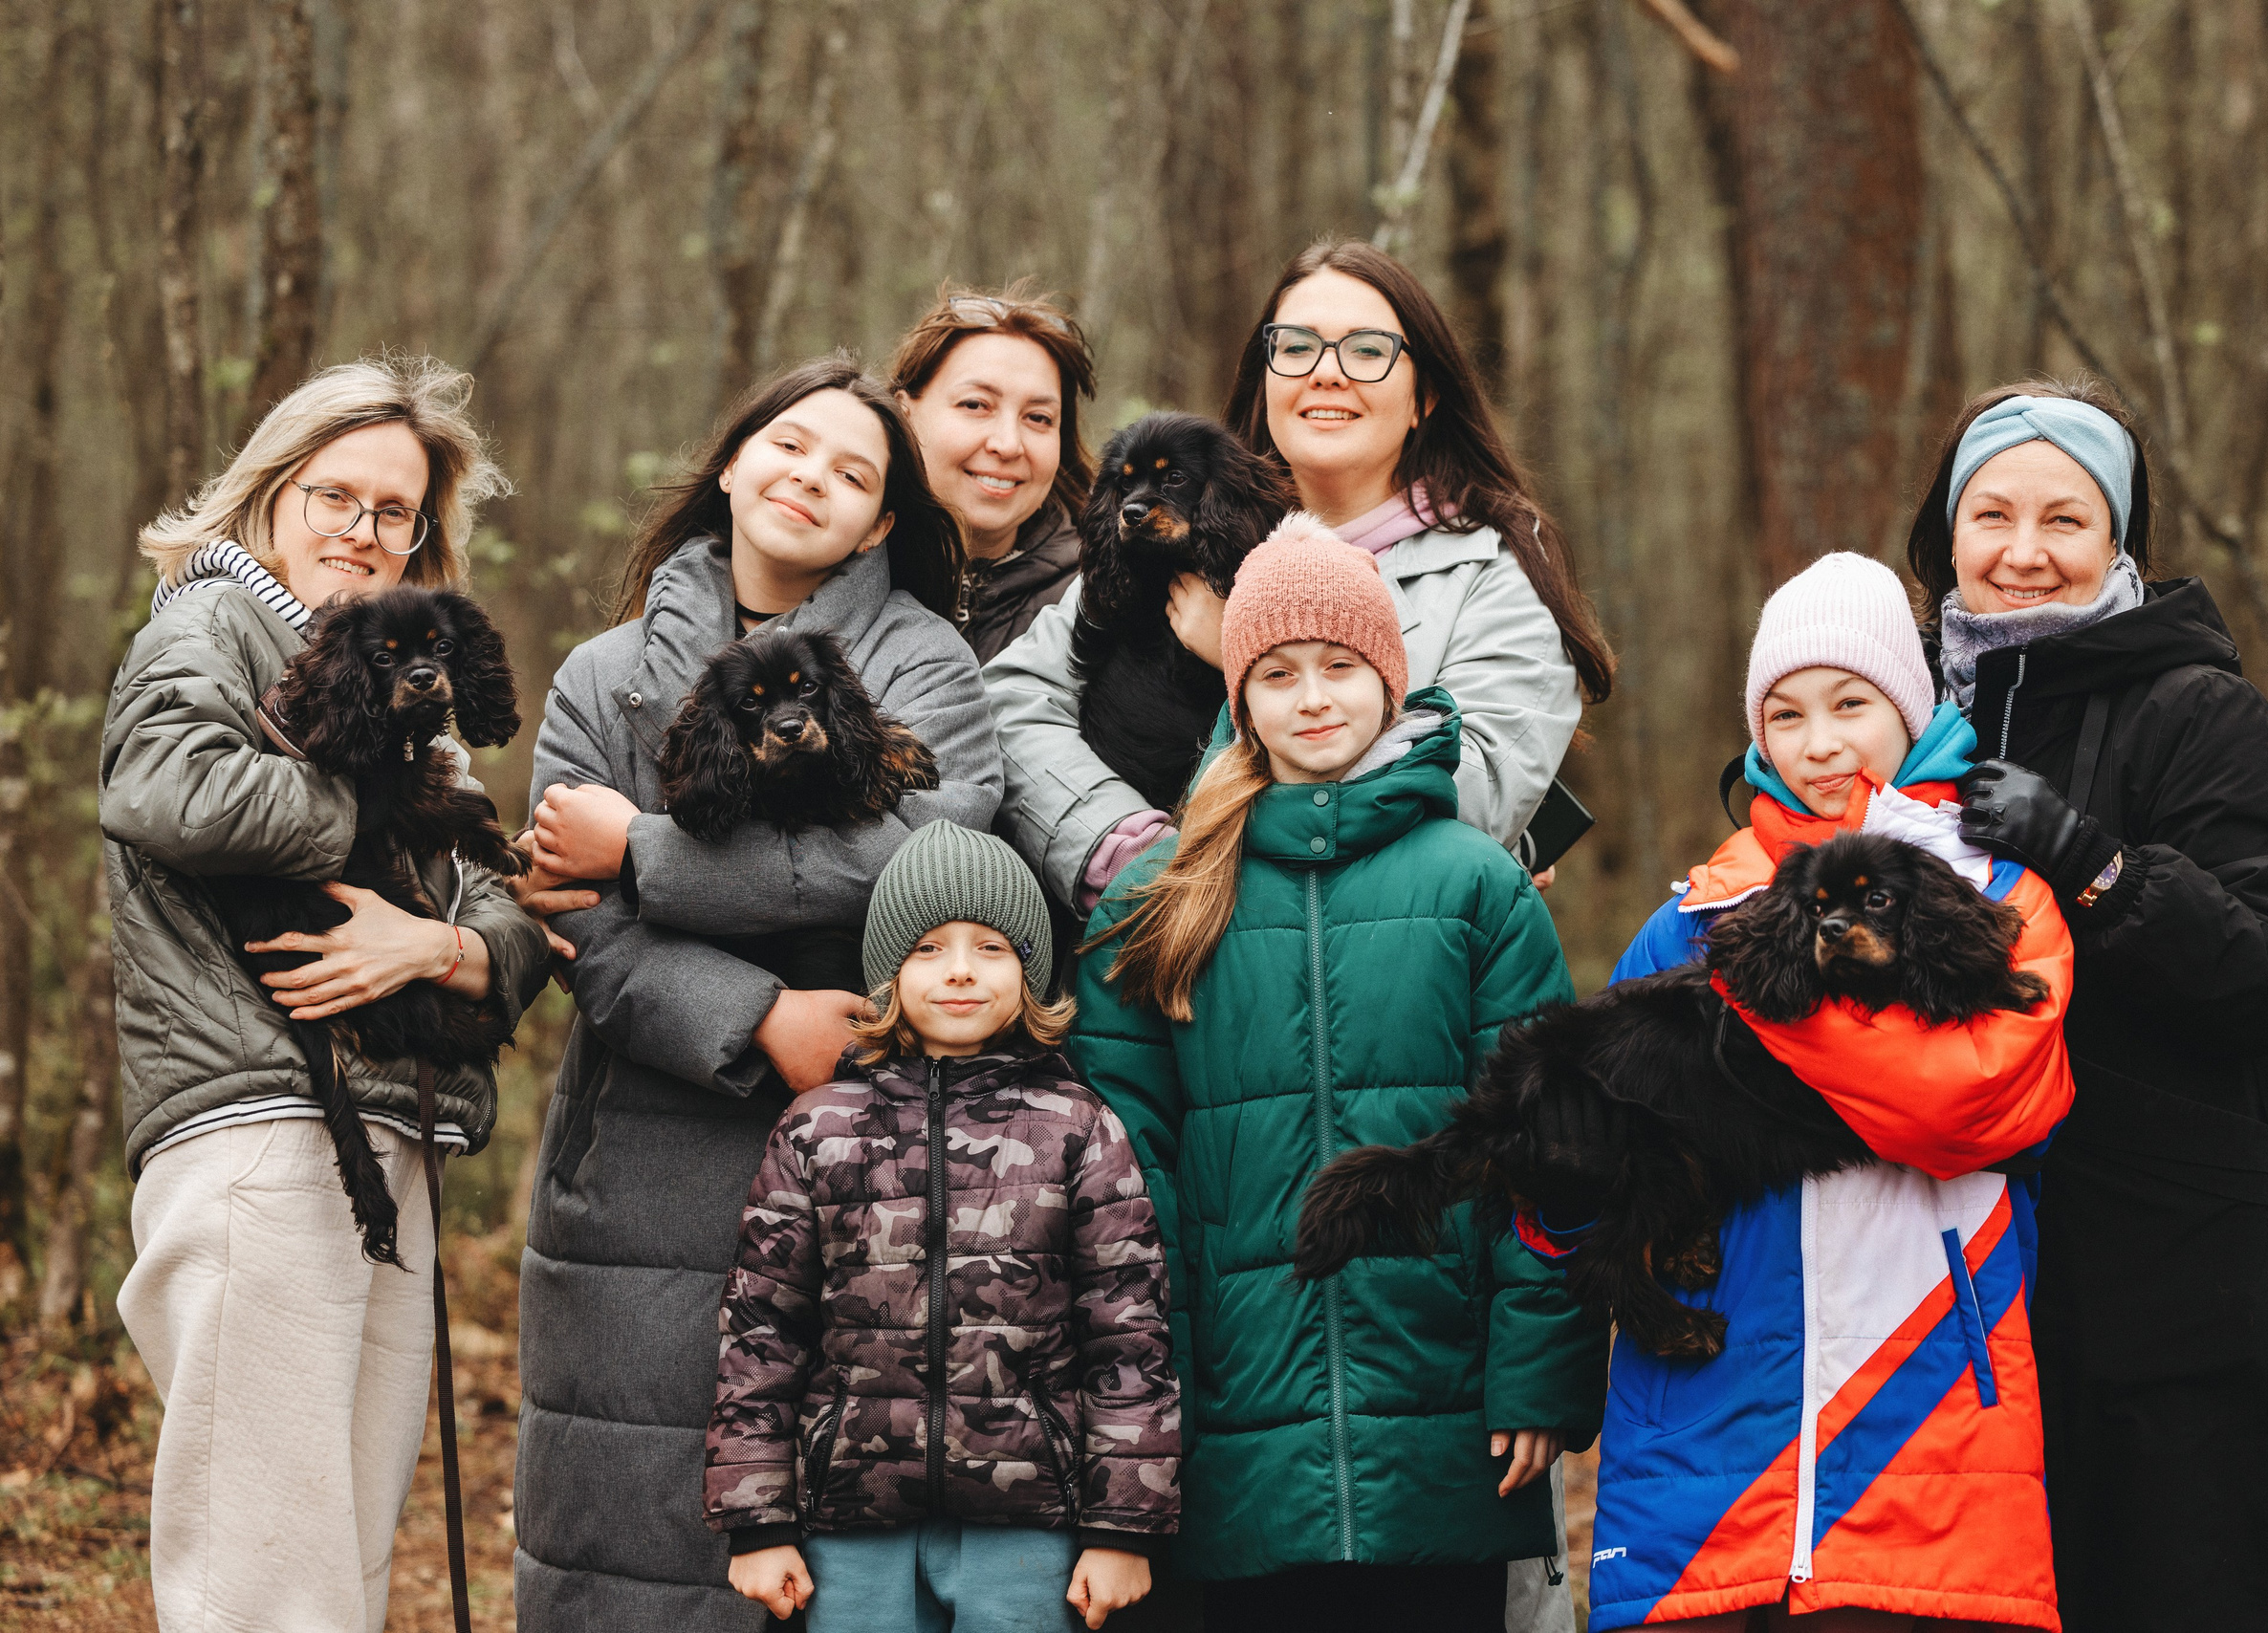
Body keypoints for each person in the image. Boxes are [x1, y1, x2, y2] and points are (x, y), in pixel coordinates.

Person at [512, 358, 1000, 1629]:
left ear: (885, 522)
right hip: (643, 1164)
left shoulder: (932, 667)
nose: (810, 480)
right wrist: (760, 1021)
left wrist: (642, 848)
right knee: (635, 1543)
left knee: (843, 1549)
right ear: (731, 463)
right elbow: (585, 941)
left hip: (877, 1151)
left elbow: (924, 859)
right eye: (788, 446)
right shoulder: (601, 676)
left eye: (853, 473)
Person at [1070, 514, 1607, 1633]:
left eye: (1340, 666)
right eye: (1277, 672)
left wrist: (1535, 1371)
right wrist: (1144, 1386)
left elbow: (1548, 1151)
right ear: (1238, 695)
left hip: (1445, 1404)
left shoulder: (1476, 886)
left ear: (1390, 677)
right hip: (1235, 1409)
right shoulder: (1160, 896)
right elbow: (1125, 1167)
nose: (1312, 696)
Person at [1526, 553, 2073, 1632]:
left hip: (1927, 1420)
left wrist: (1772, 1004)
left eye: (1849, 704)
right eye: (1783, 713)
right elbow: (1587, 1155)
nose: (1817, 741)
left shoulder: (1999, 898)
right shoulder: (1688, 919)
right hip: (1703, 1431)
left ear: (1910, 708)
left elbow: (1983, 1106)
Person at [99, 355, 551, 1633]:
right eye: (333, 495)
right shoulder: (212, 626)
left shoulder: (400, 676)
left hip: (388, 1133)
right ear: (270, 495)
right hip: (261, 1119)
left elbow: (500, 900)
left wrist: (440, 951)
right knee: (264, 1568)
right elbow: (164, 793)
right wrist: (376, 791)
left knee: (340, 1552)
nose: (361, 529)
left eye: (392, 510)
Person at [1908, 381, 2268, 1632]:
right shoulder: (1908, 710)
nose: (2024, 551)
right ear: (1948, 530)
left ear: (2121, 539)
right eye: (1991, 514)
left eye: (2066, 516)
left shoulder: (2200, 709)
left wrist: (2094, 864)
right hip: (1958, 1281)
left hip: (2172, 1285)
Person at [987, 239, 1614, 920]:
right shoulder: (1182, 534)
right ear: (1265, 376)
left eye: (1367, 350)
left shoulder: (1493, 573)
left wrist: (1257, 660)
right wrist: (1139, 858)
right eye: (1296, 346)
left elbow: (1479, 793)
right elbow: (1014, 701)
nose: (1327, 373)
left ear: (1423, 397)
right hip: (1151, 950)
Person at [708, 819, 1179, 1632]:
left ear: (1030, 973)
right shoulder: (817, 1128)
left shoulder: (1078, 1127)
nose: (960, 971)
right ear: (888, 972)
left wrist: (1121, 1528)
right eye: (928, 949)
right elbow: (761, 1331)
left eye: (991, 948)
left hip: (1028, 1524)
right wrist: (757, 1520)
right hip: (852, 1521)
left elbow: (1128, 1336)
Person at [890, 282, 1100, 664]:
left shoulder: (1102, 602)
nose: (1008, 444)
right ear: (904, 413)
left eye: (1038, 418)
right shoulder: (830, 569)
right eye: (976, 405)